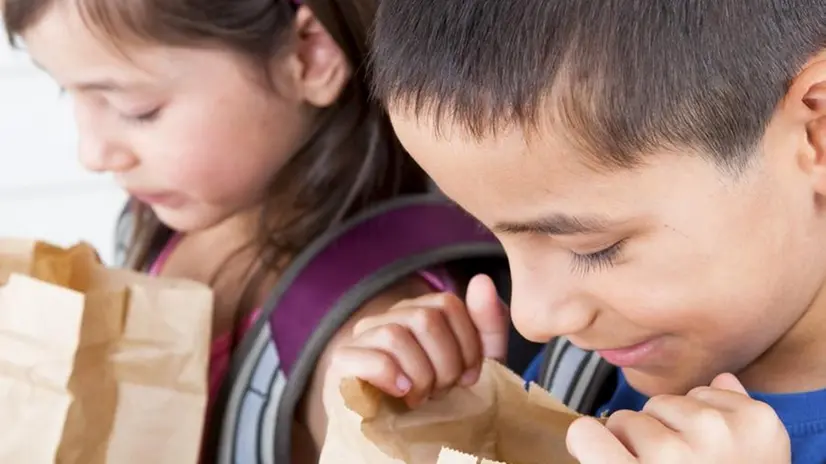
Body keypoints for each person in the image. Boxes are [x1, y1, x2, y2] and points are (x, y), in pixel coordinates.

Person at [1, 0, 509, 461]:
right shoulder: (153, 223)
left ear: (309, 55)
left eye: (137, 109)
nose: (92, 153)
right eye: (68, 91)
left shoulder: (364, 341)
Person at [331, 1, 826, 463]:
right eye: (494, 235)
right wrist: (462, 431)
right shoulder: (578, 379)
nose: (531, 320)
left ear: (815, 135)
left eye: (593, 248)